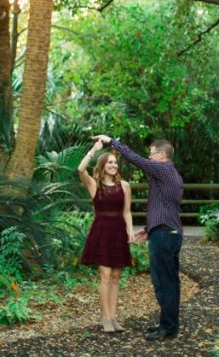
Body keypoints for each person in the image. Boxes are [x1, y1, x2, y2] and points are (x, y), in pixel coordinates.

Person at [92, 134, 183, 341]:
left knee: (163, 282)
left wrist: (111, 141)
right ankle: (169, 324)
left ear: (161, 155)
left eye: (151, 154)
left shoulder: (162, 168)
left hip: (164, 235)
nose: (149, 158)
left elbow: (136, 159)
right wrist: (149, 229)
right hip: (168, 232)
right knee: (171, 281)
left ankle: (168, 327)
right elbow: (165, 206)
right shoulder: (173, 174)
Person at [77, 138, 134, 333]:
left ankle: (113, 317)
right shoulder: (94, 185)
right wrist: (94, 149)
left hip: (118, 231)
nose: (114, 165)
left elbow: (127, 212)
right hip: (101, 231)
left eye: (115, 163)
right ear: (102, 165)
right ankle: (105, 319)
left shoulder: (125, 186)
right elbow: (80, 169)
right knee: (105, 275)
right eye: (110, 162)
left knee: (116, 276)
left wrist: (130, 231)